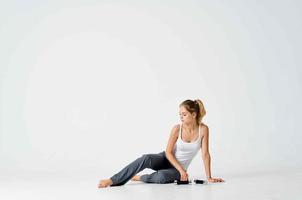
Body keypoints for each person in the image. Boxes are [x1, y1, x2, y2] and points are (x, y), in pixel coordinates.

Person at [98, 99, 224, 188]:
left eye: (184, 114)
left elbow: (205, 154)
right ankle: (112, 180)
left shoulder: (203, 129)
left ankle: (139, 178)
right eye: (180, 114)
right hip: (166, 158)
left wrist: (209, 177)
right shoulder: (176, 129)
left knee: (162, 177)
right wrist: (182, 171)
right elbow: (168, 152)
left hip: (176, 170)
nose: (181, 117)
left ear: (194, 114)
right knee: (146, 158)